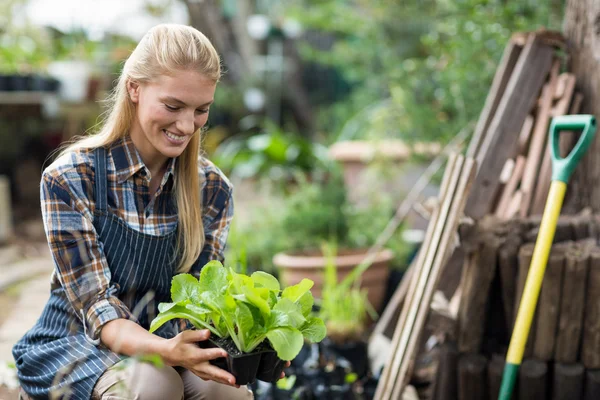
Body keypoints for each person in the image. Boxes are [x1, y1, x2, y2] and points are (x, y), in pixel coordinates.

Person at [12, 24, 275, 399]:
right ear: (134, 88)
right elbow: (98, 307)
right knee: (154, 385)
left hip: (169, 342)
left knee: (227, 392)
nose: (187, 125)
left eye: (201, 110)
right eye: (173, 106)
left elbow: (203, 300)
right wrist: (166, 352)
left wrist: (257, 346)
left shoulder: (211, 189)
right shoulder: (72, 177)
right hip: (77, 344)